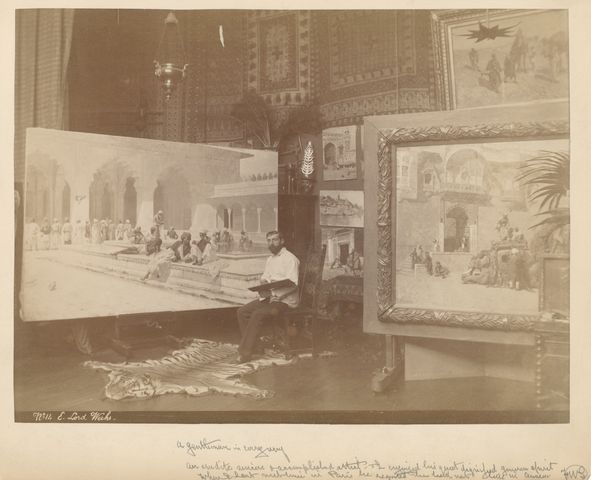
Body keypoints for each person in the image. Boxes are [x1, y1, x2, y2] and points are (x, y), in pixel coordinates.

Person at [236, 230, 300, 363]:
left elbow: (293, 284)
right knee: (242, 312)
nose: (271, 243)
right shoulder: (270, 259)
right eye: (269, 240)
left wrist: (277, 296)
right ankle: (257, 347)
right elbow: (265, 276)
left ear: (282, 241)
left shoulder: (291, 259)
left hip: (285, 301)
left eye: (275, 240)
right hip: (271, 298)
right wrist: (263, 282)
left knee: (258, 314)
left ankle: (246, 352)